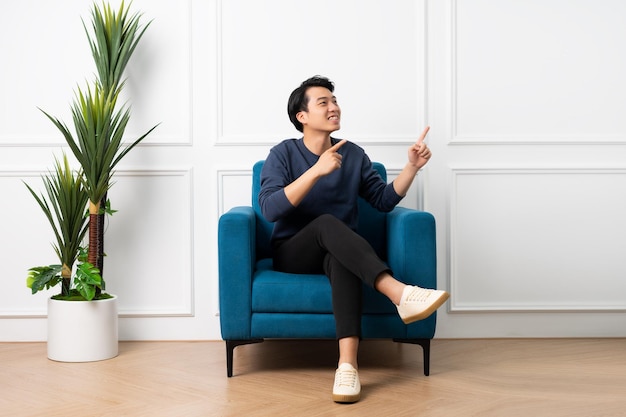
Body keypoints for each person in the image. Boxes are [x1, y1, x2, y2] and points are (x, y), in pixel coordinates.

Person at [258, 75, 449, 403]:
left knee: (341, 259)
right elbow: (270, 208)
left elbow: (383, 200)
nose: (334, 107)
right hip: (293, 252)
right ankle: (399, 293)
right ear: (301, 117)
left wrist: (411, 168)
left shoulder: (353, 155)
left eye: (334, 101)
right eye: (323, 103)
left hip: (338, 251)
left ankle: (347, 367)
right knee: (327, 224)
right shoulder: (283, 154)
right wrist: (316, 170)